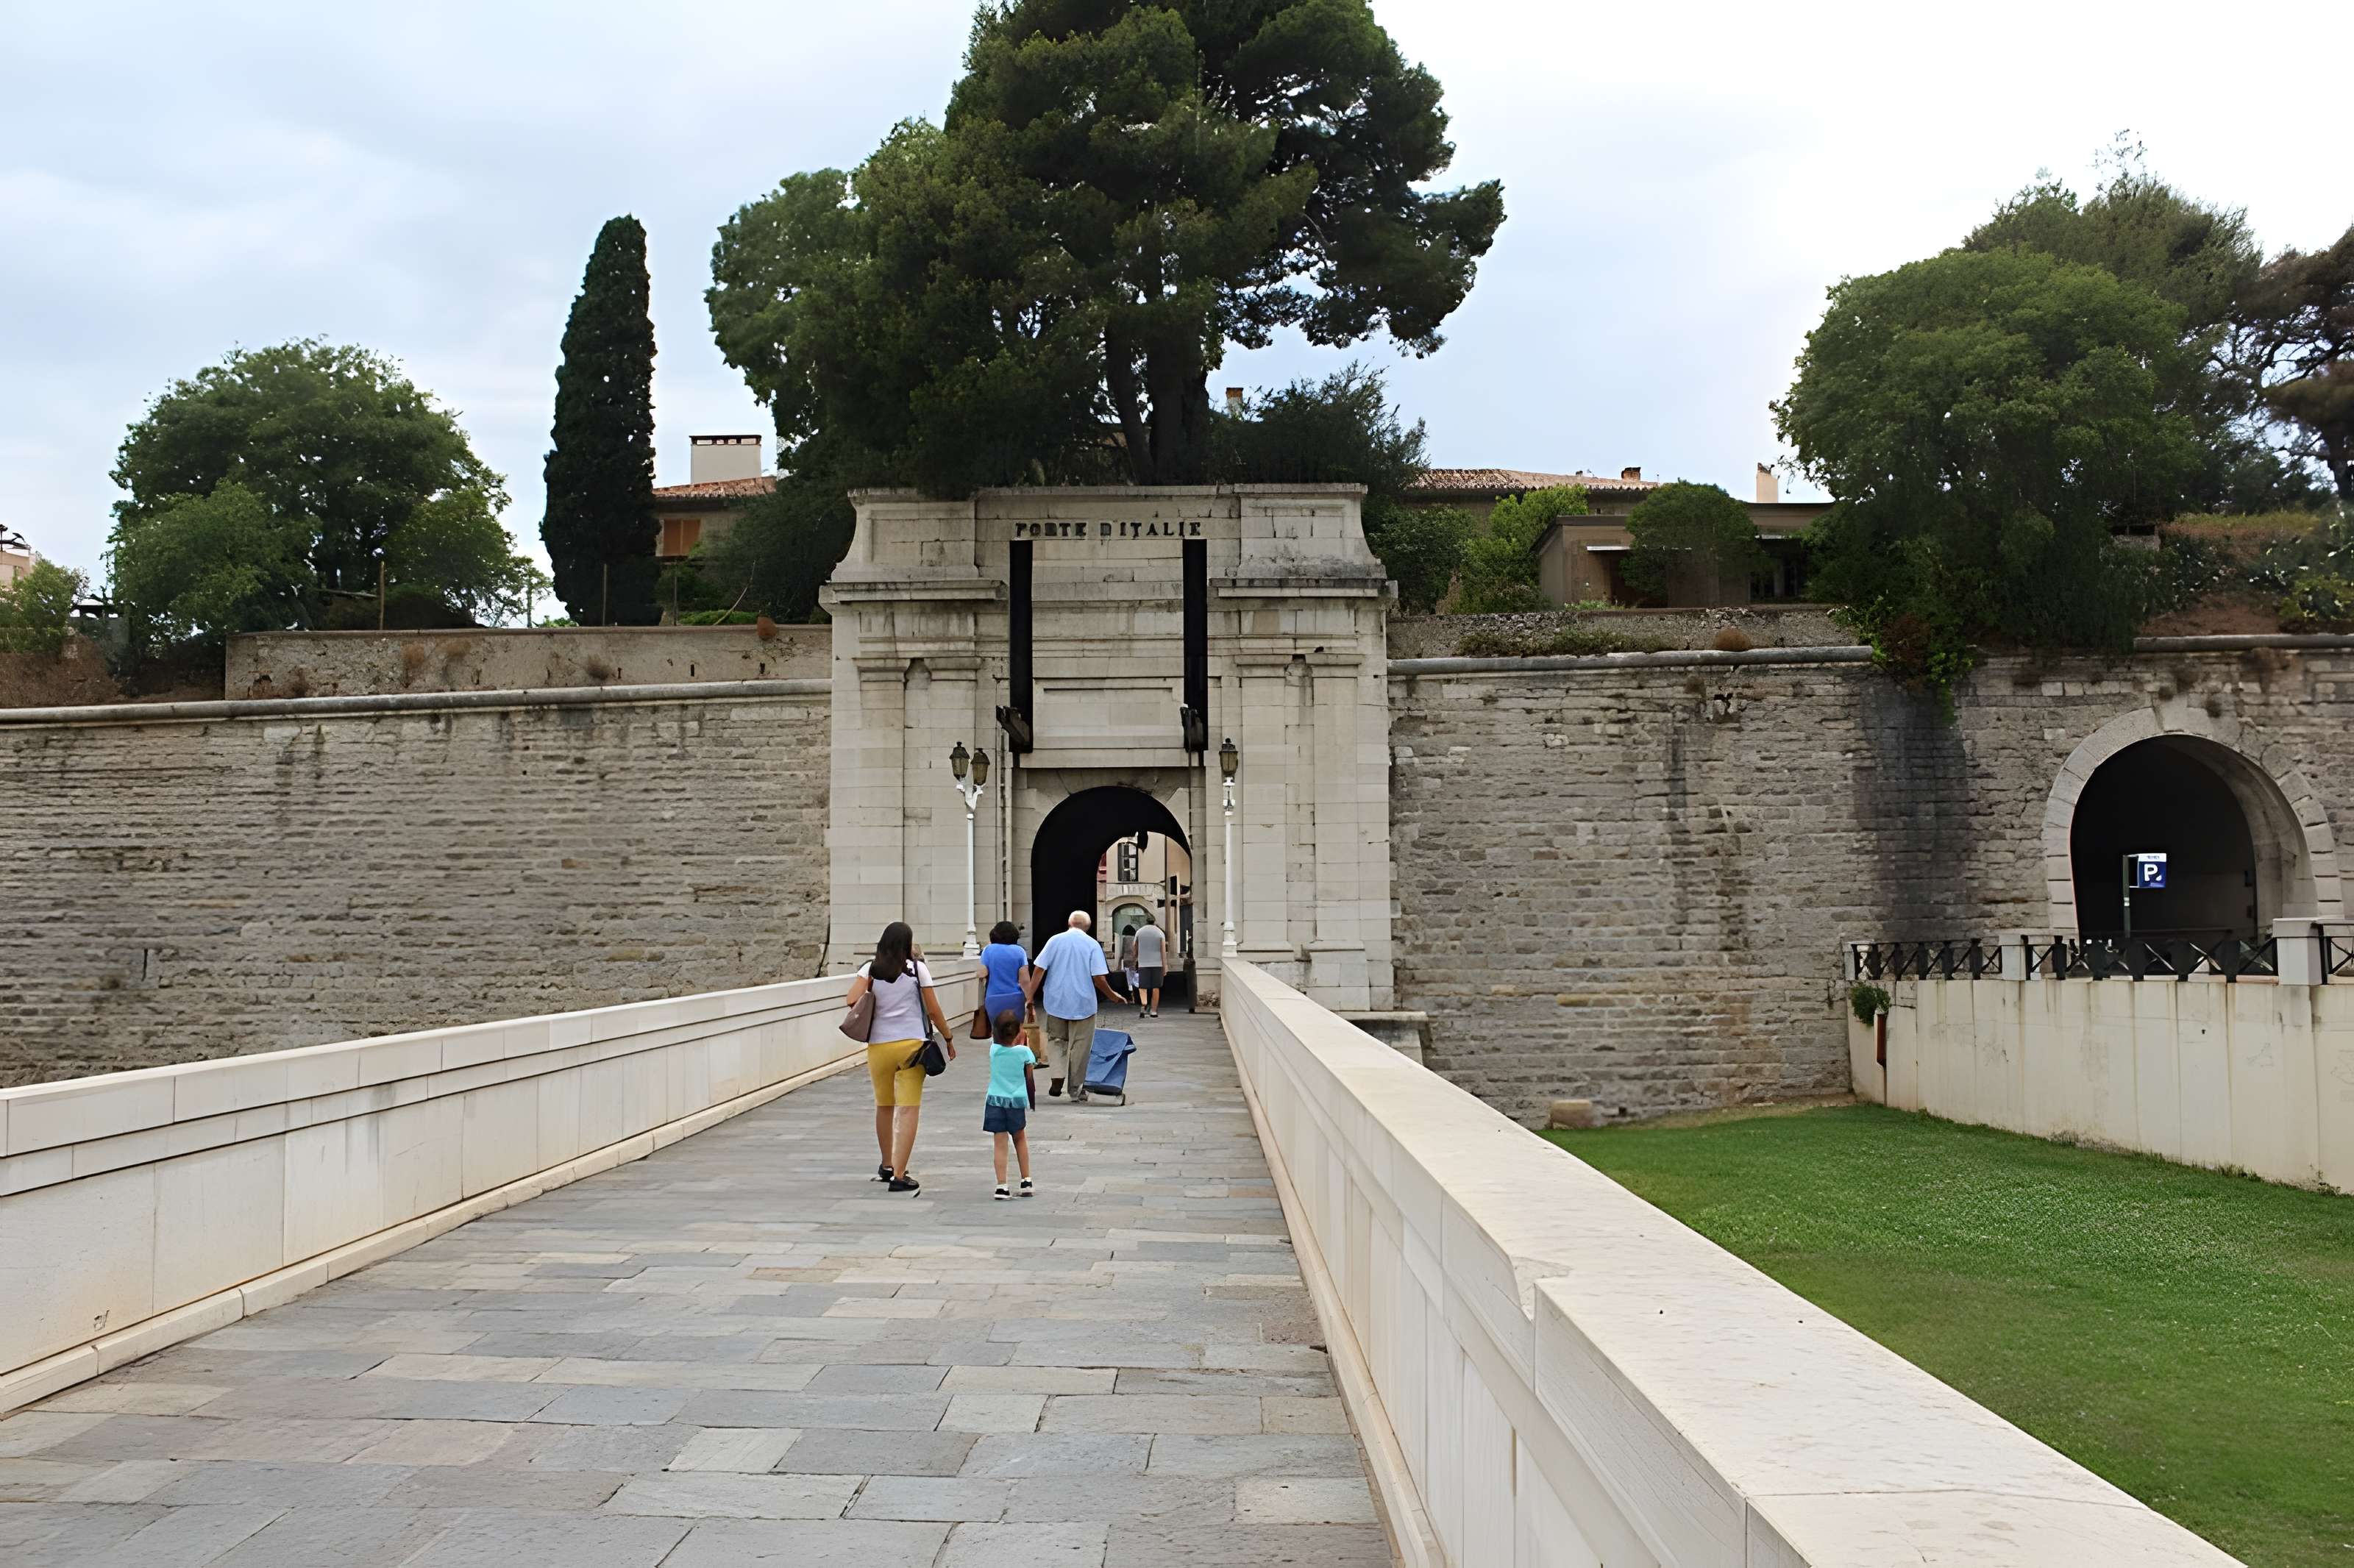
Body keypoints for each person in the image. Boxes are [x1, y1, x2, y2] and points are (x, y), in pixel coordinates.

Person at [844, 922, 955, 1194]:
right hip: (911, 1046)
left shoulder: (870, 969)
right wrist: (949, 1038)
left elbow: (851, 999)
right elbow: (933, 1010)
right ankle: (901, 1174)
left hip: (879, 1047)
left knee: (884, 1105)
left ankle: (886, 1166)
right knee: (908, 1109)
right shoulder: (917, 969)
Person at [1031, 910, 1129, 1102]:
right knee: (1080, 1047)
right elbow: (1098, 978)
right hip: (1083, 1004)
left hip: (1056, 1000)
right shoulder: (1092, 945)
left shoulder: (1054, 940)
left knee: (1056, 1040)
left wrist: (1029, 996)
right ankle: (1075, 1089)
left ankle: (1057, 1077)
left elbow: (1039, 969)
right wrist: (1112, 995)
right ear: (1088, 927)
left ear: (1069, 923)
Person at [984, 1008, 1036, 1200]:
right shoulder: (1025, 1052)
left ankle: (1001, 1186)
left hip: (995, 1101)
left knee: (1000, 1143)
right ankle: (1026, 1180)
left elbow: (1000, 1042)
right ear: (1018, 1032)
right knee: (1020, 1139)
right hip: (1016, 1101)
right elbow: (1029, 1075)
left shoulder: (994, 1051)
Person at [979, 921, 1034, 1037]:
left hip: (993, 998)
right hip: (1015, 998)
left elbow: (982, 973)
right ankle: (1016, 1053)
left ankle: (998, 1054)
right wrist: (1030, 1000)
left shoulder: (988, 950)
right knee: (1016, 1034)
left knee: (997, 1034)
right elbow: (1024, 980)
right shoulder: (1019, 951)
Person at [1134, 913, 1168, 1019]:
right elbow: (1163, 950)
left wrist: (1136, 957)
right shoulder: (1159, 933)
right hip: (1157, 964)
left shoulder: (1140, 931)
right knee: (1155, 987)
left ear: (1146, 921)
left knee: (1142, 987)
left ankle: (1143, 1006)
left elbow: (1134, 946)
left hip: (1143, 963)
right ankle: (1153, 1011)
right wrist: (1165, 966)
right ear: (1154, 921)